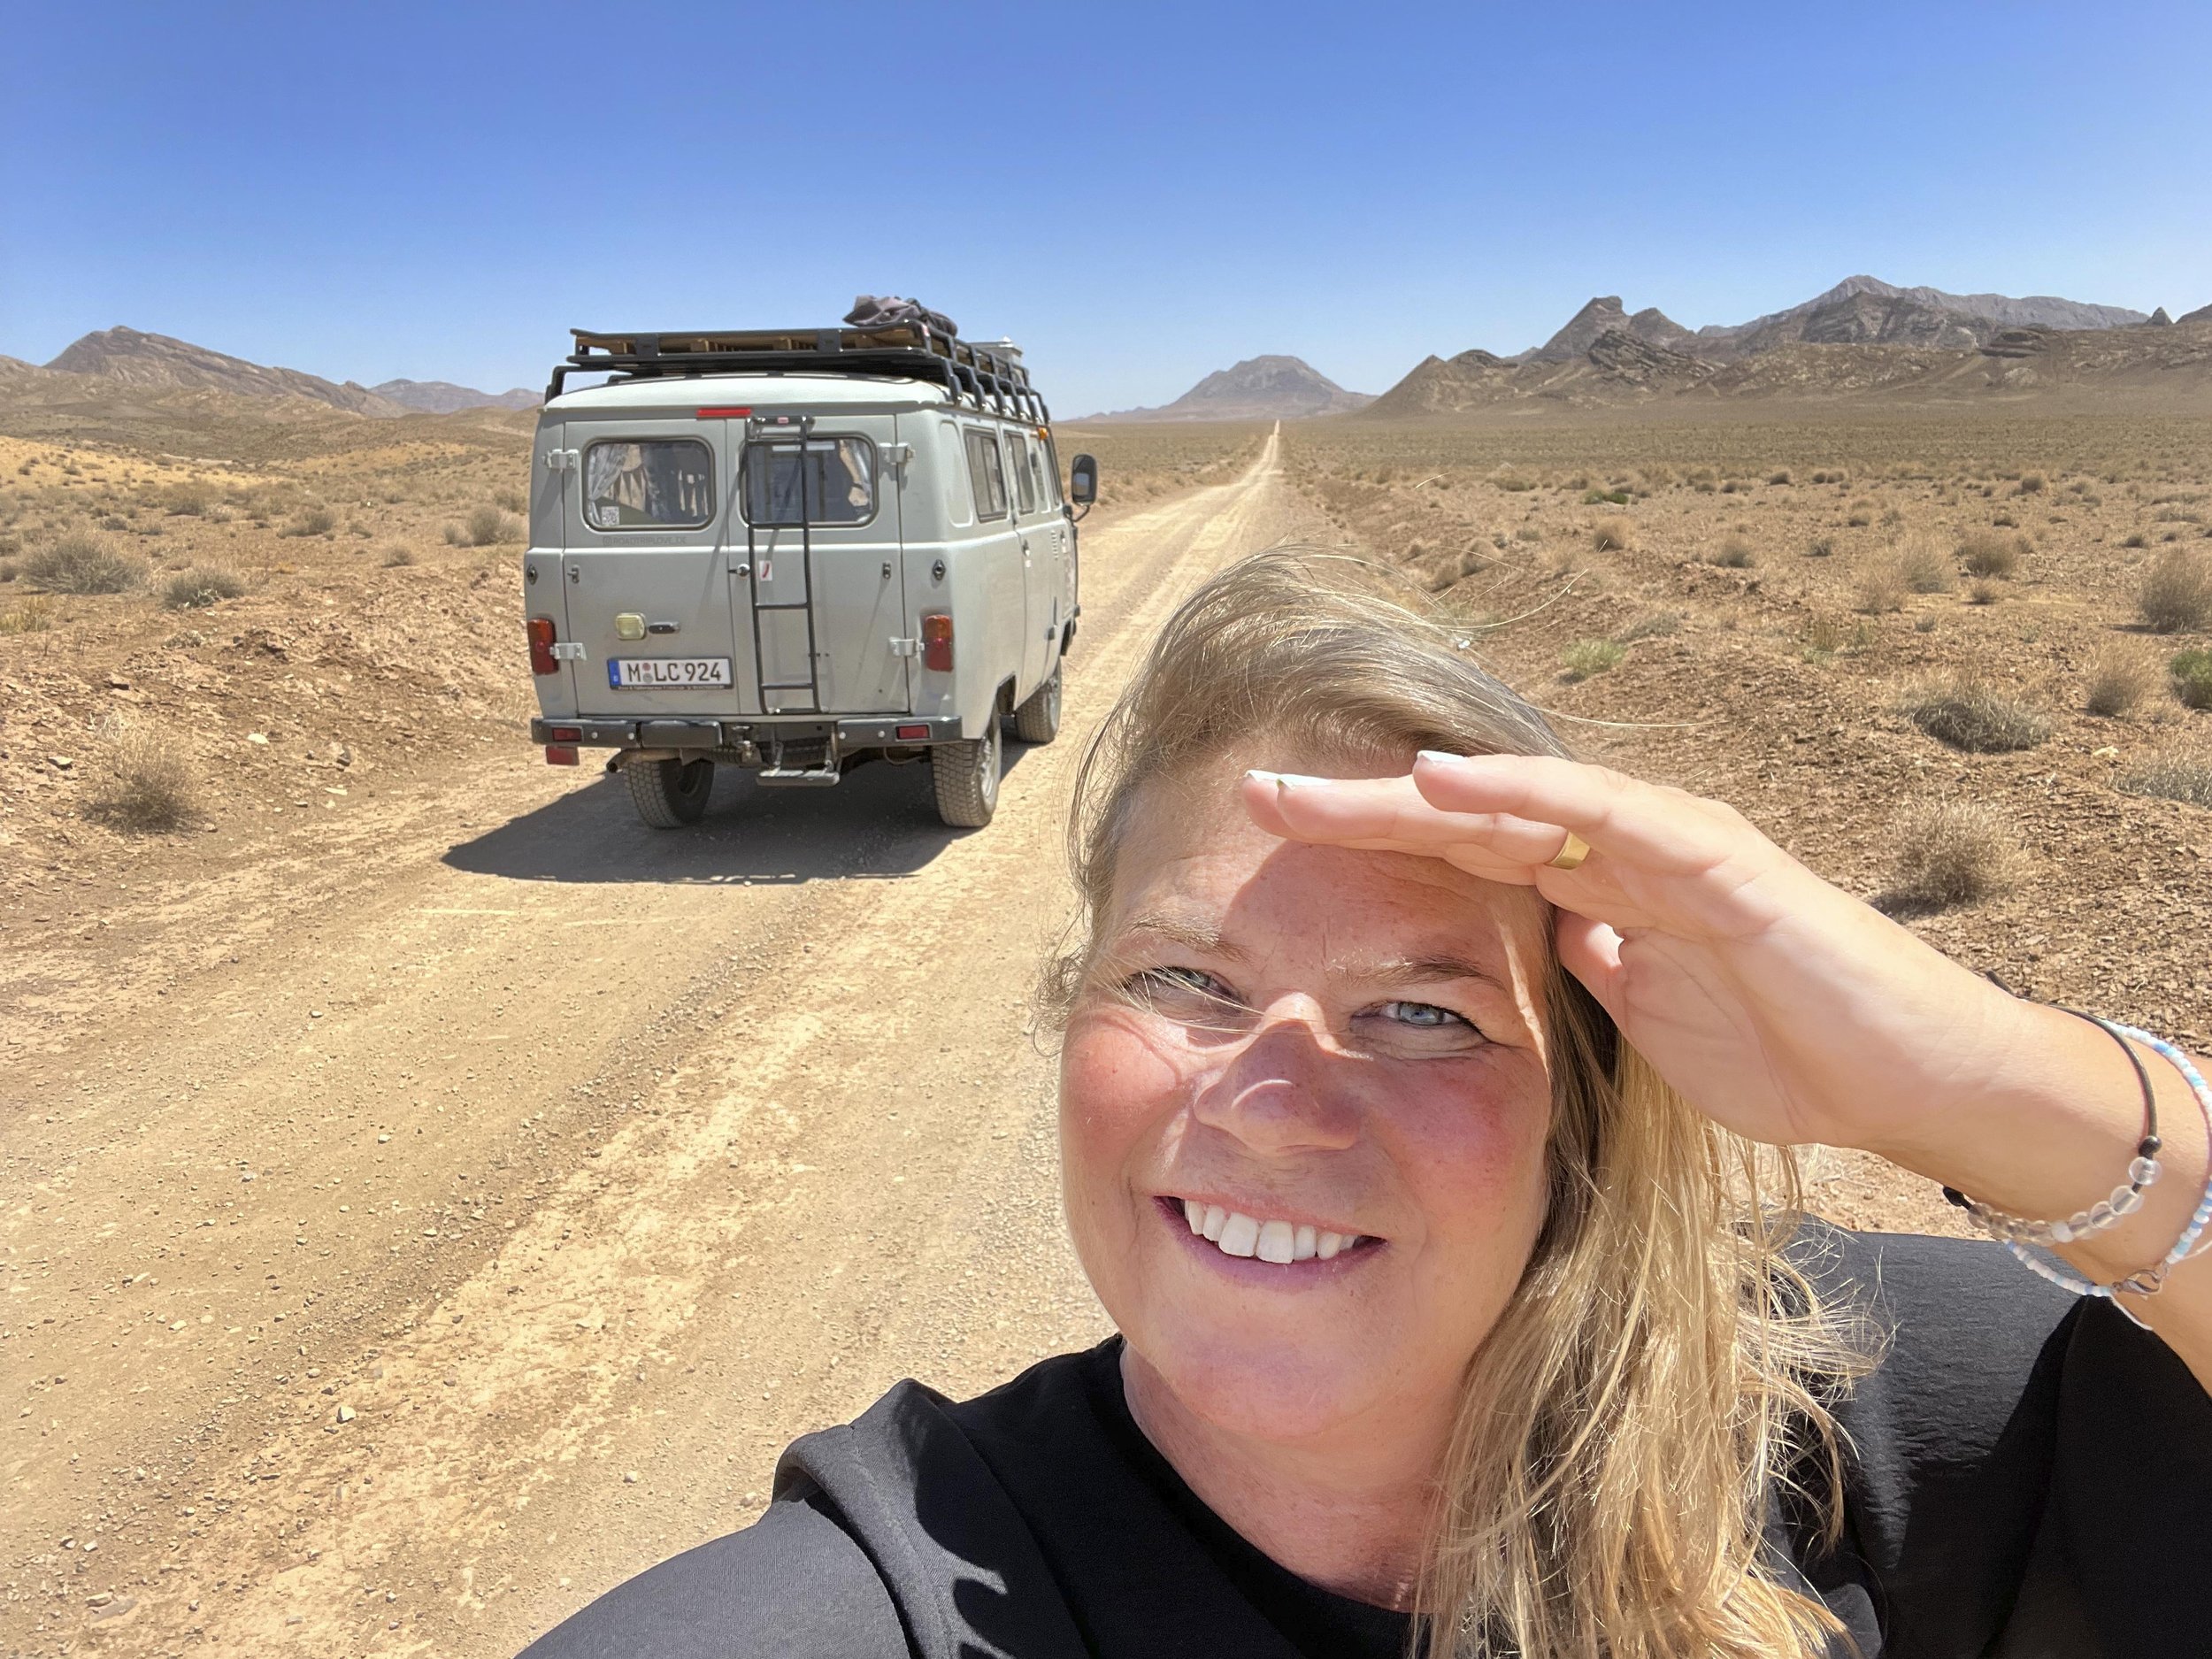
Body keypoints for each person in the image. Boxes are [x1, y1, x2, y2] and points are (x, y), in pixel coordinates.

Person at [519, 550, 2212, 1659]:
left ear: (1576, 1102)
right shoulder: (889, 1601)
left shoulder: (1845, 1414)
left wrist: (1982, 1079)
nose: (1273, 1103)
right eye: (1189, 979)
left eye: (1421, 1012)